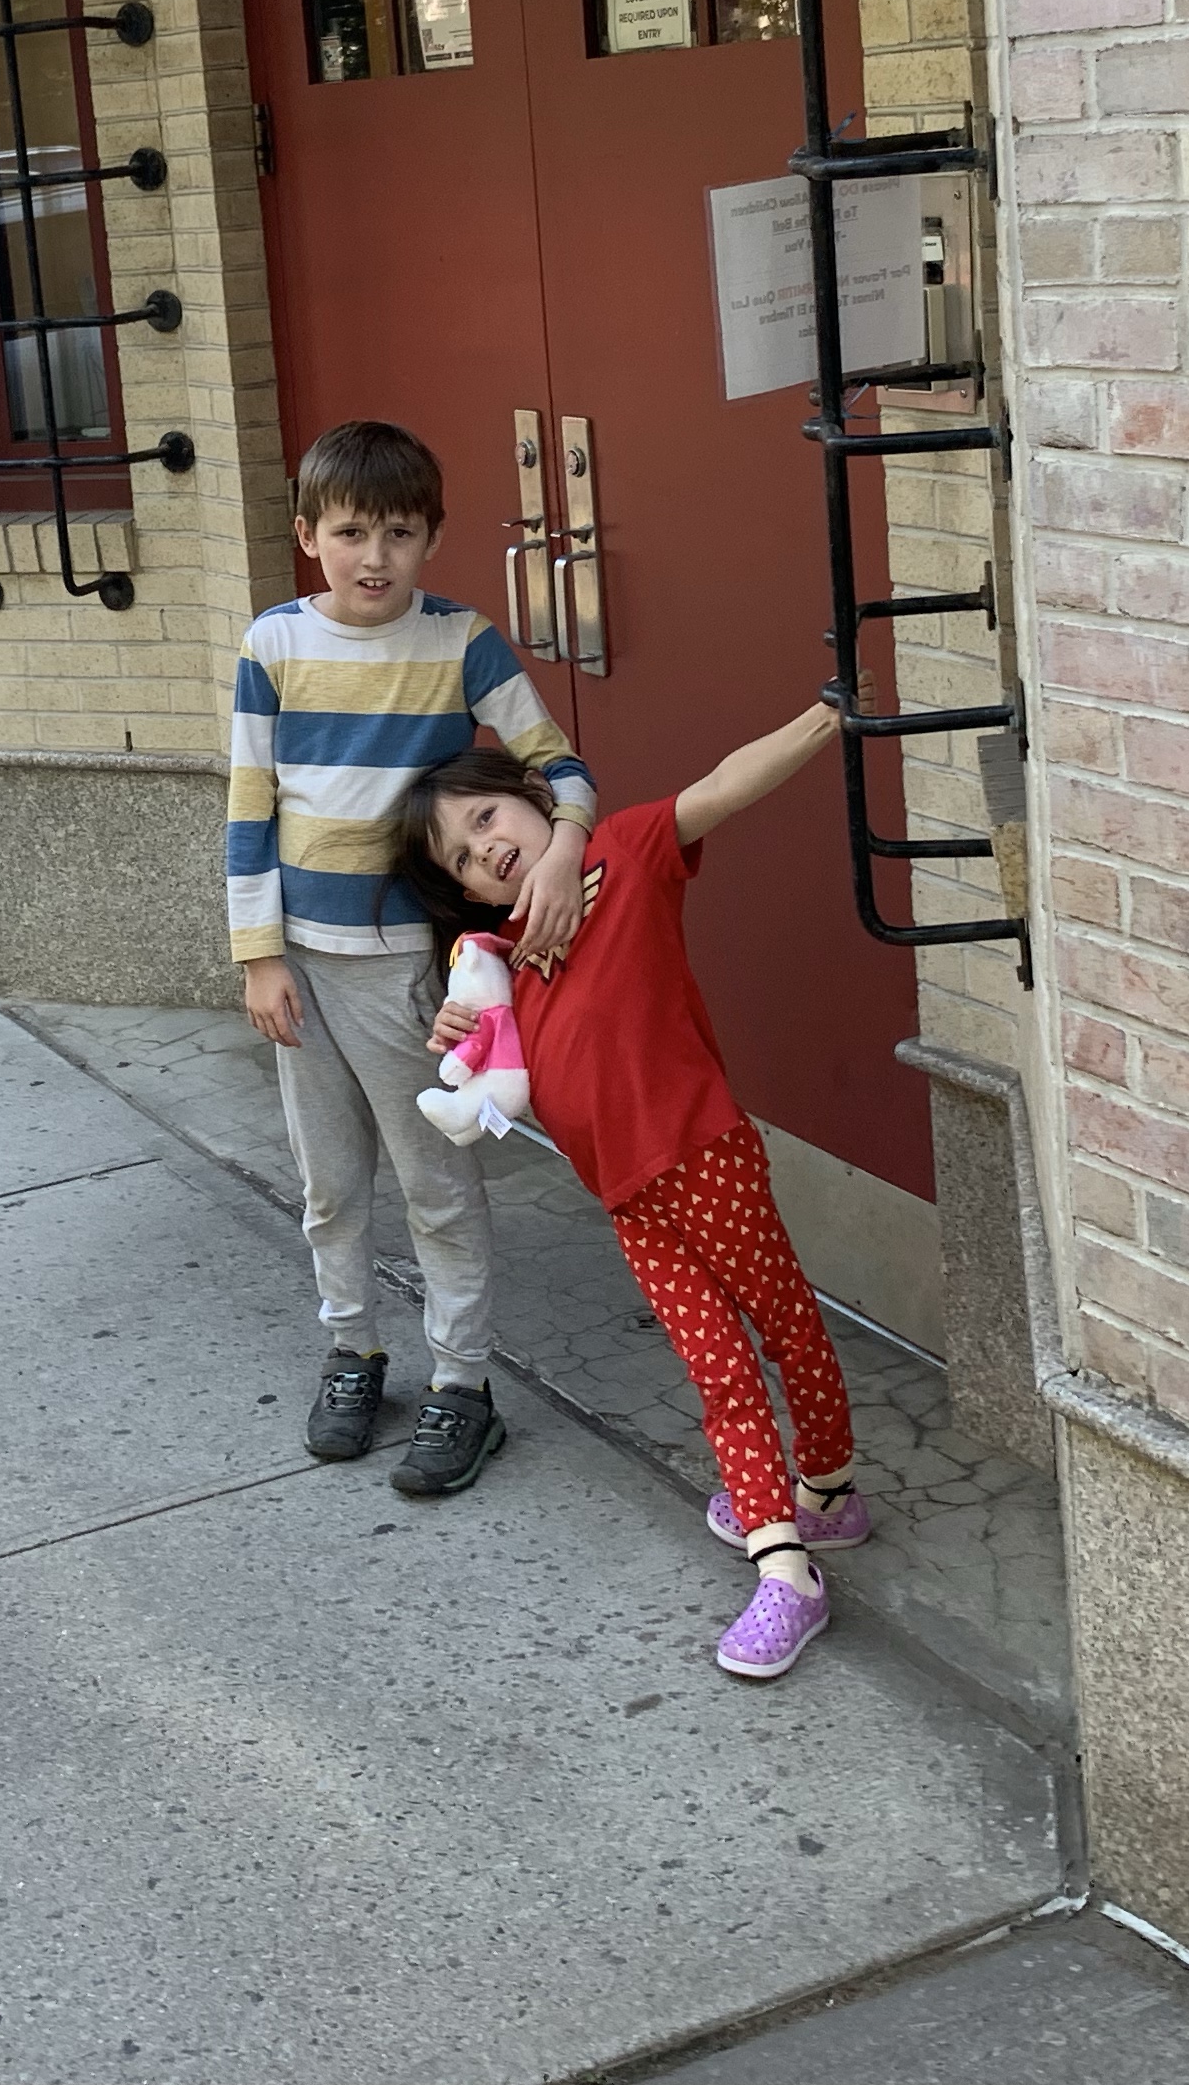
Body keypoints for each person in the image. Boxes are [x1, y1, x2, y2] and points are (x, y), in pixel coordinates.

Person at [406, 700, 870, 1679]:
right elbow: (491, 1070)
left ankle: (828, 1493)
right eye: (461, 857)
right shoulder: (502, 966)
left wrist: (825, 716)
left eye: (486, 818)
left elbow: (722, 788)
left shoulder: (621, 851)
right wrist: (457, 1032)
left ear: (532, 799)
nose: (485, 850)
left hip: (704, 1153)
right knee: (718, 1370)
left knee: (785, 1326)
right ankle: (784, 1563)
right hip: (625, 1197)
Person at [231, 419, 595, 1496]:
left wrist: (564, 846)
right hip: (302, 964)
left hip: (406, 970)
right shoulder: (273, 646)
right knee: (330, 1182)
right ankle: (352, 1352)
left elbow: (558, 764)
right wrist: (258, 954)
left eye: (399, 533)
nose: (374, 557)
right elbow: (249, 806)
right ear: (309, 536)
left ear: (432, 537)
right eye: (351, 532)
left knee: (436, 1181)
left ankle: (462, 1384)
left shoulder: (462, 641)